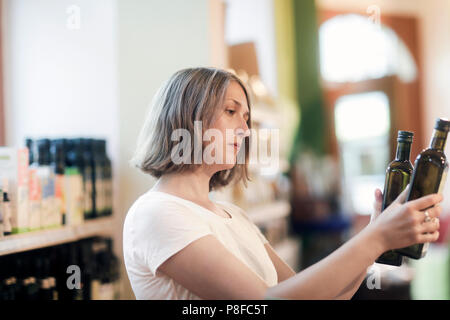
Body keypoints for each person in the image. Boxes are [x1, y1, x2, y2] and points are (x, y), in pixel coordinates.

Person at [122, 67, 442, 300]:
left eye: (246, 118)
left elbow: (318, 295)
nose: (245, 130)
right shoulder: (157, 213)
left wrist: (378, 238)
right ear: (185, 118)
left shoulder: (234, 216)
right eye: (231, 111)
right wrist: (375, 237)